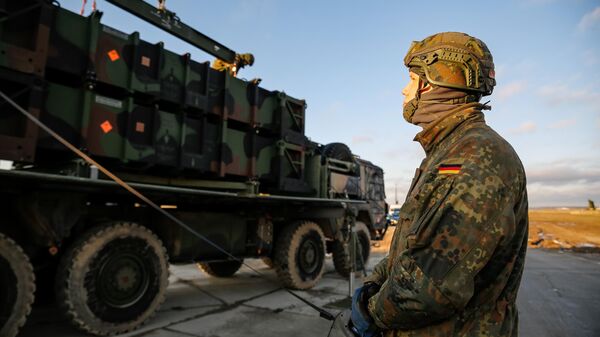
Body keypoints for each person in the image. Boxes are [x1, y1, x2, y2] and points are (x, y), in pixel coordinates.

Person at [350, 32, 529, 337]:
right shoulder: (448, 151)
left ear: (431, 82)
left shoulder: (475, 157)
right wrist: (372, 285)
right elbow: (411, 247)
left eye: (411, 79)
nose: (404, 90)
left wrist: (373, 312)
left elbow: (426, 289)